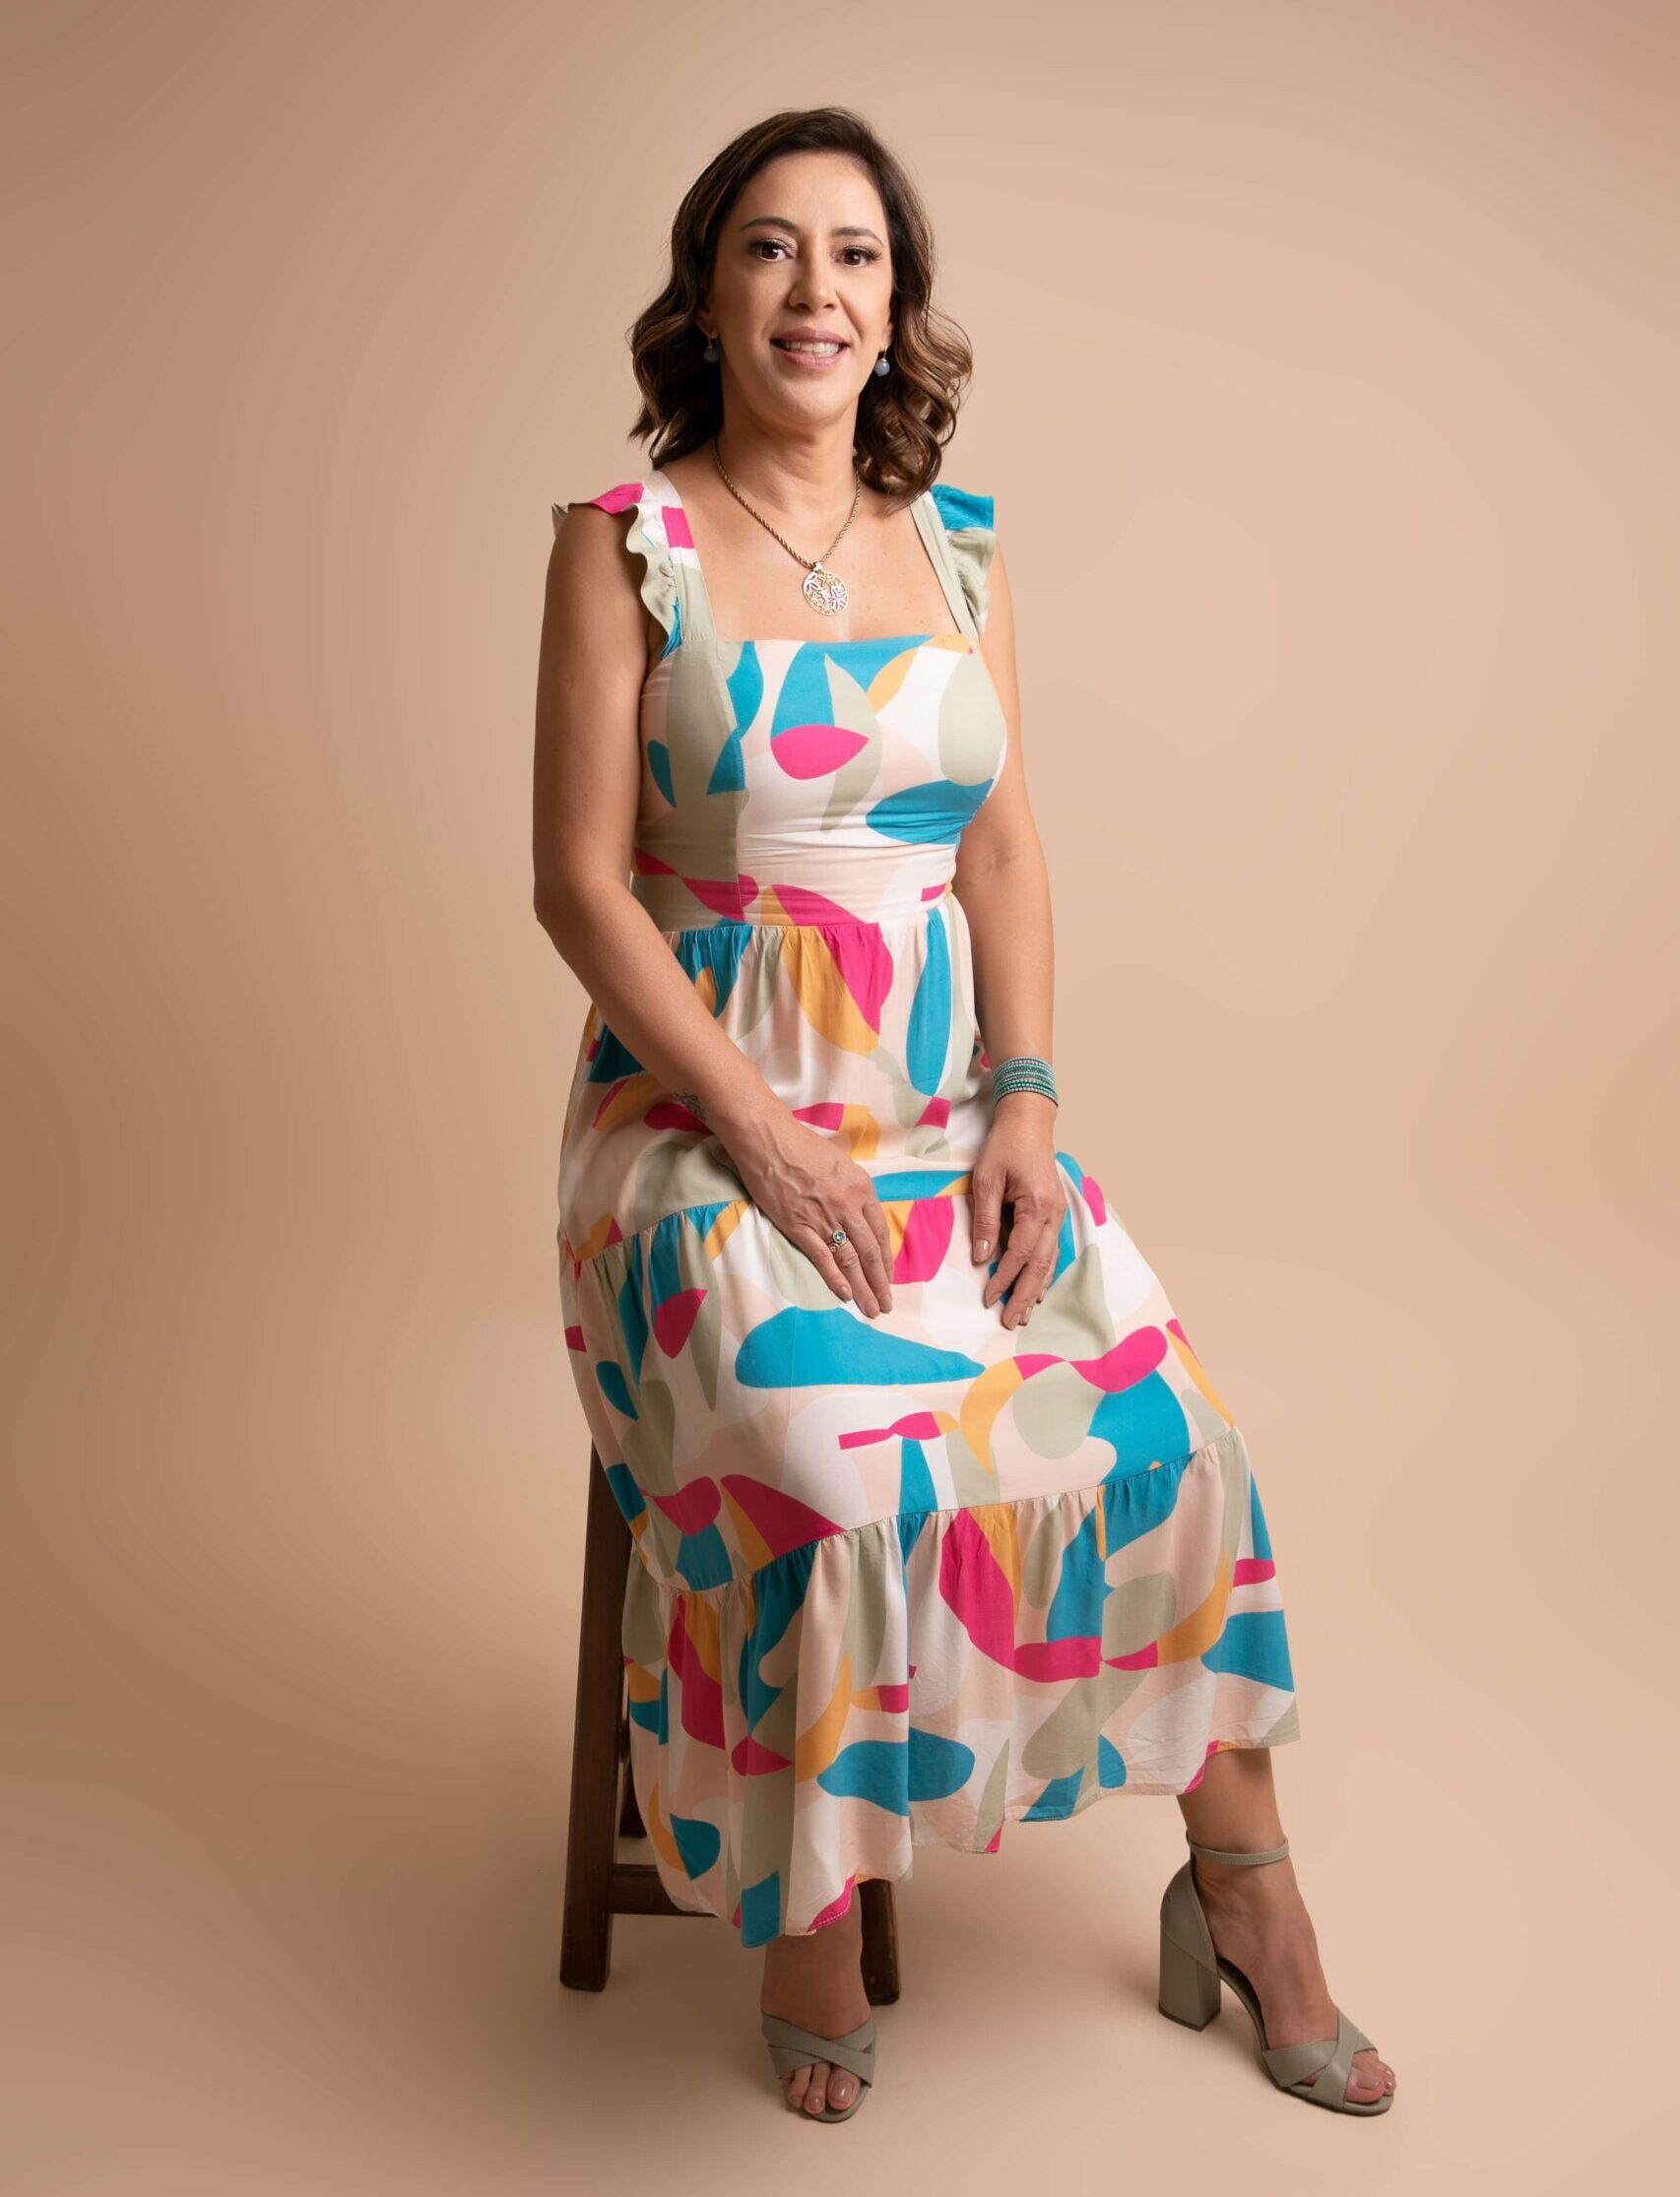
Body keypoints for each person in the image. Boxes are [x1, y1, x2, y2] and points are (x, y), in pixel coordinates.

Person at [532, 104, 1395, 2126]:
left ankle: (1248, 1895)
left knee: (1176, 1440)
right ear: (707, 293)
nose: (813, 291)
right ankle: (812, 1910)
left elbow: (999, 851)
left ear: (896, 302)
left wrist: (1024, 1099)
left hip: (940, 1117)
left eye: (853, 254)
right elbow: (576, 883)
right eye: (768, 247)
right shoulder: (622, 541)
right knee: (827, 1475)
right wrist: (755, 1135)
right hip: (695, 1132)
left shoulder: (956, 543)